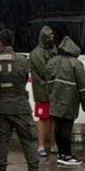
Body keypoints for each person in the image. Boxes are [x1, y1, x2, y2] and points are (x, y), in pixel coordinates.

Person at [0, 29, 47, 171]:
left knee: (2, 142)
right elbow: (22, 79)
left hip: (0, 106)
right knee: (29, 140)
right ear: (12, 42)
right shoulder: (22, 60)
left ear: (0, 43)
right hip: (20, 106)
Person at [45, 36, 85, 166]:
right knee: (67, 127)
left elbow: (48, 82)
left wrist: (51, 95)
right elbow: (83, 87)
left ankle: (61, 154)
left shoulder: (52, 62)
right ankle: (67, 155)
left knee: (58, 126)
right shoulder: (76, 64)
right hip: (70, 101)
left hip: (55, 100)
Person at [29, 25, 57, 159]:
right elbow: (46, 71)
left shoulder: (53, 51)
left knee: (52, 118)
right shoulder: (36, 53)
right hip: (42, 91)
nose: (52, 39)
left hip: (53, 91)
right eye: (49, 36)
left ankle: (53, 144)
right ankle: (40, 145)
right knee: (43, 119)